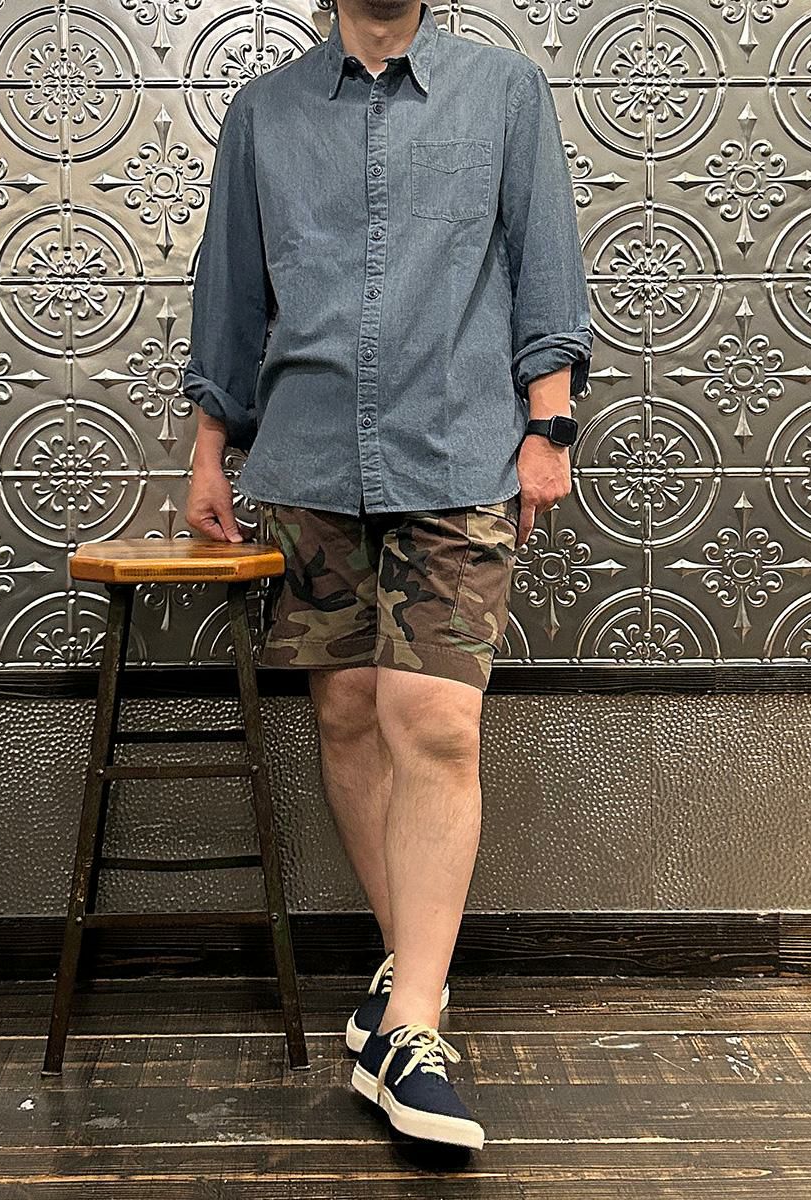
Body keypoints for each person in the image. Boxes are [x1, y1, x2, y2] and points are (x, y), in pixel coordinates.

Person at [182, 0, 592, 1152]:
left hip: (458, 455)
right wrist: (210, 450)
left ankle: (412, 1025)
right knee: (351, 715)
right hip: (310, 460)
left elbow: (545, 262)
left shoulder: (502, 93)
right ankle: (411, 972)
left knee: (437, 723)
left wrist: (549, 426)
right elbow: (233, 293)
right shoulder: (264, 114)